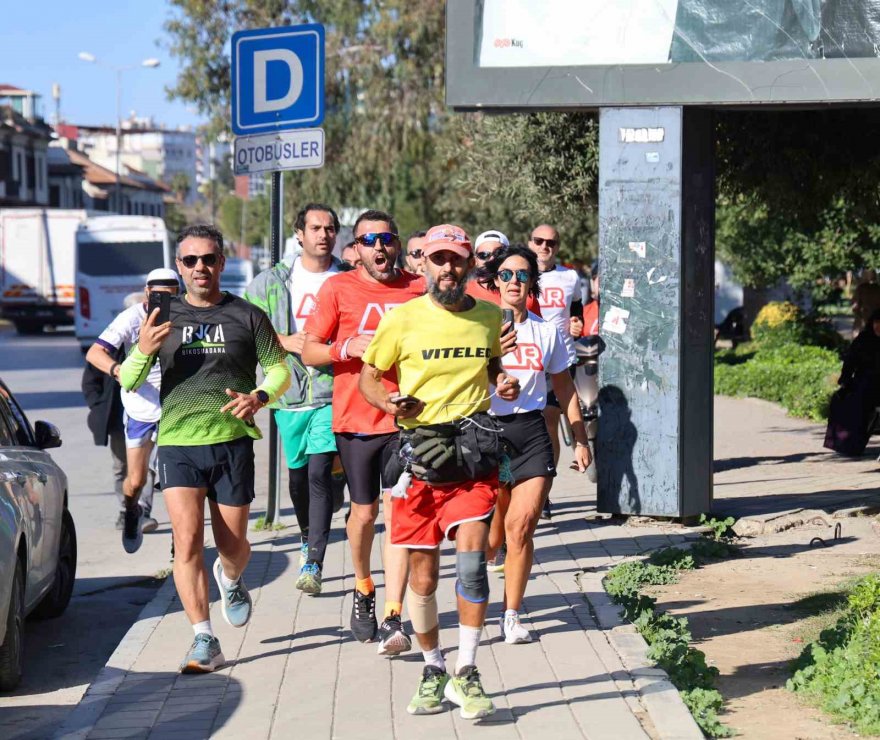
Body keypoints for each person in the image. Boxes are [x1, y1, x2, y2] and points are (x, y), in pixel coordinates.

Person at [359, 223, 520, 719]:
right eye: (438, 259)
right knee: (423, 581)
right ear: (422, 264)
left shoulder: (490, 316)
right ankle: (434, 668)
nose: (448, 268)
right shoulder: (402, 320)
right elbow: (369, 377)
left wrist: (504, 381)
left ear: (471, 264)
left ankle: (466, 671)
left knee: (472, 558)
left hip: (472, 456)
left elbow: (492, 366)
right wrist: (389, 401)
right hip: (420, 459)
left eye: (456, 259)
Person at [118, 223, 290, 674]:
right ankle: (203, 638)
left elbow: (278, 369)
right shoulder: (160, 317)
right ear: (179, 266)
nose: (200, 268)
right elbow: (130, 381)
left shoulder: (247, 315)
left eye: (208, 259)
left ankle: (230, 579)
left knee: (235, 548)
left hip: (231, 442)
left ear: (221, 263)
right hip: (178, 442)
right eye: (190, 260)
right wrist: (141, 349)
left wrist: (260, 397)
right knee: (187, 541)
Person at [302, 210, 423, 654]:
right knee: (364, 515)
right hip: (355, 421)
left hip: (406, 420)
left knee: (399, 514)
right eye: (369, 240)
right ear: (355, 249)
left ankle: (394, 614)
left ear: (396, 243)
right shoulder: (338, 288)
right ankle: (363, 586)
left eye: (387, 239)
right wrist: (344, 347)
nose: (379, 247)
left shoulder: (416, 287)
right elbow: (310, 350)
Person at [480, 245, 591, 643]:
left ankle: (511, 615)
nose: (514, 281)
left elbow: (564, 387)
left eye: (522, 275)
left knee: (521, 526)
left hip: (530, 434)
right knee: (492, 537)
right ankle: (481, 590)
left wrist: (580, 439)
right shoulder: (479, 328)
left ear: (532, 283)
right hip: (487, 434)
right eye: (506, 274)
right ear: (494, 281)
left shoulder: (546, 332)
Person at [245, 203, 350, 595]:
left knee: (320, 471)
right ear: (299, 235)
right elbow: (247, 330)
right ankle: (307, 534)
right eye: (315, 227)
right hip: (288, 394)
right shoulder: (270, 282)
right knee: (299, 475)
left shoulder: (347, 279)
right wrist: (284, 341)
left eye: (330, 227)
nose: (324, 234)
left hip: (332, 390)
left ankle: (314, 562)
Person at [85, 270, 181, 552]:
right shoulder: (132, 317)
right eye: (158, 295)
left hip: (175, 409)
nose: (164, 301)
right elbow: (94, 353)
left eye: (171, 295)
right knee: (136, 480)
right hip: (139, 409)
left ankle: (182, 541)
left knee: (177, 481)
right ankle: (131, 511)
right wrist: (118, 370)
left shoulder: (187, 313)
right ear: (147, 292)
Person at [527, 224, 583, 519]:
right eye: (539, 241)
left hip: (558, 361)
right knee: (527, 424)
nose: (545, 246)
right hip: (525, 359)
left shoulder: (570, 277)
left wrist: (577, 322)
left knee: (549, 422)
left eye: (551, 242)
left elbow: (577, 308)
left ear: (557, 247)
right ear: (530, 242)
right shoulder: (519, 273)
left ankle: (544, 491)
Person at [82, 344, 127, 529]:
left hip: (147, 418)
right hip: (118, 421)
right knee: (121, 467)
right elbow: (89, 383)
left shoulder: (150, 342)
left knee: (147, 469)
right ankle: (126, 510)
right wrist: (99, 406)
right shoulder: (107, 349)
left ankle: (142, 510)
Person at [825, 308, 880, 456]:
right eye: (876, 322)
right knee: (843, 401)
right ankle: (846, 443)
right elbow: (850, 361)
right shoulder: (864, 339)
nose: (878, 326)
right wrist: (845, 379)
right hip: (864, 382)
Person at [466, 230, 542, 316]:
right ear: (475, 260)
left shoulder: (526, 297)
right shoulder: (464, 294)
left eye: (497, 254)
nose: (491, 260)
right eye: (483, 255)